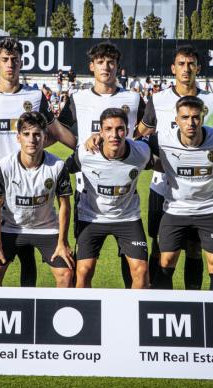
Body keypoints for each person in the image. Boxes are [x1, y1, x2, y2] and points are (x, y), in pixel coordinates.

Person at [0, 37, 75, 287]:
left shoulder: (35, 96)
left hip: (27, 183)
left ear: (21, 62)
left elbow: (55, 131)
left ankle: (28, 311)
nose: (10, 64)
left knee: (27, 253)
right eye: (5, 59)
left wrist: (86, 148)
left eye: (14, 60)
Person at [137, 45, 213, 290]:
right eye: (181, 64)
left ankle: (194, 303)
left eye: (191, 64)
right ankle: (156, 305)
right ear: (173, 68)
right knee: (160, 250)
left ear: (198, 68)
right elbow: (140, 137)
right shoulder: (157, 99)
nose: (186, 69)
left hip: (202, 190)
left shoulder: (212, 100)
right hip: (163, 188)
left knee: (195, 250)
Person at [58, 41, 145, 289]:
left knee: (131, 261)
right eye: (100, 62)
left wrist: (130, 148)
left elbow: (144, 130)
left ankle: (133, 305)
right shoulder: (79, 98)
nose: (105, 66)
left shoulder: (133, 98)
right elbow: (60, 128)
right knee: (85, 265)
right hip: (89, 188)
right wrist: (80, 147)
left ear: (118, 66)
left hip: (123, 184)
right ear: (92, 66)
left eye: (110, 62)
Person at [0, 112, 75, 287]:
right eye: (26, 134)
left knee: (66, 274)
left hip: (46, 229)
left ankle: (59, 312)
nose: (32, 139)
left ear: (44, 137)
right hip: (11, 228)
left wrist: (62, 242)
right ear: (18, 137)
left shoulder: (57, 166)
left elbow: (64, 205)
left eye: (37, 134)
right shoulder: (3, 166)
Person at [66, 108, 151, 289]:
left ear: (127, 130)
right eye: (109, 129)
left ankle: (134, 315)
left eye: (120, 129)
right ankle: (85, 313)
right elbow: (60, 173)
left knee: (141, 271)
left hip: (127, 217)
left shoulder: (142, 152)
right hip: (91, 217)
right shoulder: (86, 153)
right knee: (83, 272)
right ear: (101, 132)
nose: (115, 135)